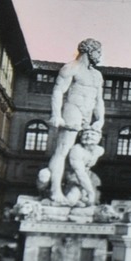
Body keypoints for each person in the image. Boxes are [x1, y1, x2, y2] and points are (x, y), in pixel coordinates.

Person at [46, 38, 105, 205]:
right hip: (73, 110)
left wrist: (100, 119)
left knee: (84, 154)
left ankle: (77, 190)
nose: (100, 56)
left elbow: (99, 99)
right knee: (62, 151)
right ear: (89, 51)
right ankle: (55, 191)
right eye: (98, 52)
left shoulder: (97, 74)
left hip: (89, 115)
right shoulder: (71, 67)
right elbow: (58, 91)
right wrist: (56, 114)